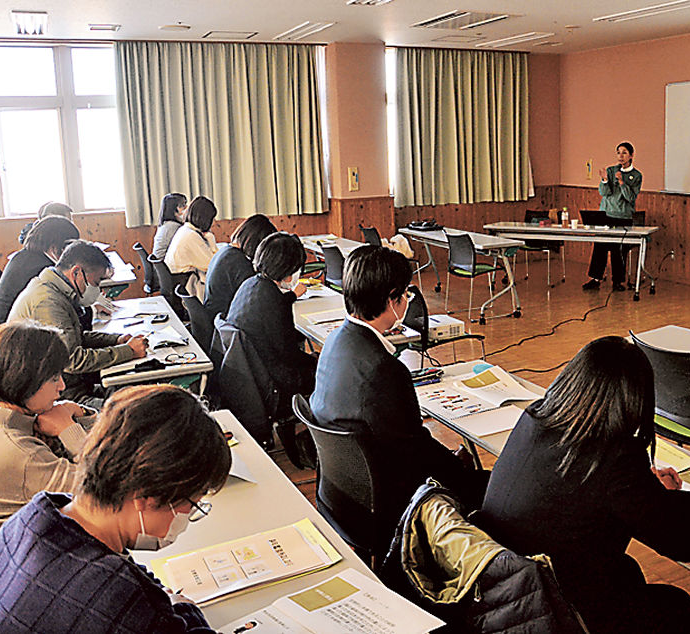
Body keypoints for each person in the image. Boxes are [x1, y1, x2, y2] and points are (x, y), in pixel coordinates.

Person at [479, 337, 690, 634]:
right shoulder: (616, 458)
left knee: (627, 572)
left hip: (505, 596)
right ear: (634, 401)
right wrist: (667, 494)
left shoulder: (535, 417)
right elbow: (689, 544)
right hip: (556, 611)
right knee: (674, 606)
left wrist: (646, 488)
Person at [0, 384, 230, 633]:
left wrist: (161, 596)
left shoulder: (39, 513)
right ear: (147, 495)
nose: (186, 517)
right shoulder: (121, 599)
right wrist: (186, 607)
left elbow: (124, 567)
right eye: (191, 503)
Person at [310, 245, 486, 555]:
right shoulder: (384, 369)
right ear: (392, 299)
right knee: (488, 486)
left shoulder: (335, 341)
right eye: (405, 295)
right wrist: (460, 469)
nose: (407, 301)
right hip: (384, 506)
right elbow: (415, 451)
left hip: (340, 496)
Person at [0, 321, 95, 543]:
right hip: (32, 556)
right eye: (53, 378)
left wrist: (79, 413)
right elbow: (104, 486)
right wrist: (69, 430)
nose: (62, 386)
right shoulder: (20, 452)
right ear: (22, 382)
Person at [8, 240, 148, 402]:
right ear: (76, 273)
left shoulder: (55, 290)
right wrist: (128, 351)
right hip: (57, 396)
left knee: (132, 392)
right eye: (96, 283)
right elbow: (73, 361)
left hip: (68, 384)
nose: (98, 290)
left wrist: (116, 340)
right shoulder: (48, 301)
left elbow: (76, 337)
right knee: (131, 410)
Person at [224, 231, 317, 400]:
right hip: (273, 382)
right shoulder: (273, 300)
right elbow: (289, 355)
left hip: (250, 375)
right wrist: (316, 361)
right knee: (331, 369)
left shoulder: (251, 284)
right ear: (289, 270)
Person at [0, 216, 80, 328]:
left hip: (9, 329)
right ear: (55, 248)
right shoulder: (41, 269)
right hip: (14, 335)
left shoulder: (25, 257)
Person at [582, 142, 642, 292]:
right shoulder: (611, 170)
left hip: (622, 216)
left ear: (631, 155)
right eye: (618, 153)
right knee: (600, 246)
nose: (621, 156)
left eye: (624, 153)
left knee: (619, 250)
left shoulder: (636, 176)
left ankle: (618, 281)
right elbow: (604, 193)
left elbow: (630, 198)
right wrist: (604, 180)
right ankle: (595, 279)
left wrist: (622, 182)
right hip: (606, 214)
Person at [205, 214, 277, 318]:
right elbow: (255, 297)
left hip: (216, 316)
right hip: (225, 320)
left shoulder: (226, 251)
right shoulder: (238, 262)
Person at [165, 196, 219, 299]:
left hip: (179, 282)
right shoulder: (191, 236)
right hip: (186, 285)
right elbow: (213, 265)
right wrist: (212, 241)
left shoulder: (185, 230)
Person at [152, 192, 188, 260]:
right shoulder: (173, 226)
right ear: (173, 209)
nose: (186, 208)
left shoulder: (166, 224)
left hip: (160, 264)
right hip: (165, 263)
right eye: (182, 205)